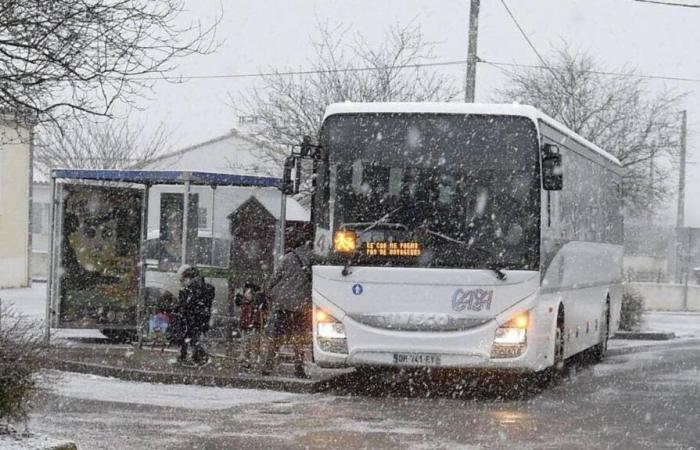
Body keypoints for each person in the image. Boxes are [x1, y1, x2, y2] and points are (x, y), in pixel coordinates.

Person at [261, 240, 313, 378]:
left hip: (283, 304)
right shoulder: (313, 259)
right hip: (302, 306)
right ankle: (299, 368)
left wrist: (269, 292)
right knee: (299, 337)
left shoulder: (288, 258)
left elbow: (275, 278)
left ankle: (268, 365)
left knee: (277, 335)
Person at [172, 265, 215, 366]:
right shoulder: (195, 287)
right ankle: (193, 357)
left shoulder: (195, 288)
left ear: (188, 278)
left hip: (195, 317)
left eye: (183, 280)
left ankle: (197, 357)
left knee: (191, 337)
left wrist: (183, 308)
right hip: (195, 317)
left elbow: (190, 304)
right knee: (189, 337)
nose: (182, 283)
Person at [235, 282, 268, 368]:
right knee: (252, 342)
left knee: (248, 342)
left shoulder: (253, 297)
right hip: (252, 323)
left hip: (250, 323)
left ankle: (247, 359)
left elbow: (240, 304)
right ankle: (251, 360)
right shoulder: (258, 297)